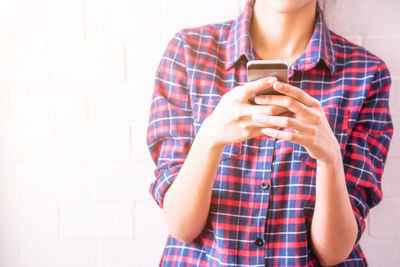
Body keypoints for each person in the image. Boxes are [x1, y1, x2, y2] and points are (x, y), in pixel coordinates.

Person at [146, 0, 393, 266]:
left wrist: (329, 157)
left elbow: (333, 253)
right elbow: (182, 227)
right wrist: (210, 138)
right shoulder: (189, 52)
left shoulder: (367, 74)